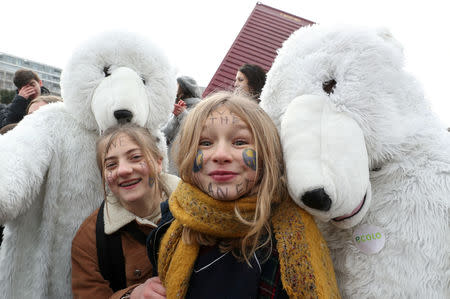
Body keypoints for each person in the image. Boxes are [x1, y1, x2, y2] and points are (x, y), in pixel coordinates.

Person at [131, 92, 340, 298]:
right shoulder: (172, 221)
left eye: (240, 142)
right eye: (205, 142)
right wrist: (138, 292)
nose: (220, 155)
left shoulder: (285, 249)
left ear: (267, 154)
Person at [71, 123, 180, 299]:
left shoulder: (200, 210)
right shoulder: (89, 239)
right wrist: (130, 296)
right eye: (111, 165)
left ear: (159, 162)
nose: (123, 170)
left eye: (135, 157)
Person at [162, 76, 201, 174]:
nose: (173, 91)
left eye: (176, 87)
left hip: (179, 168)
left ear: (183, 90)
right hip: (166, 163)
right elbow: (165, 136)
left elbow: (194, 131)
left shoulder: (199, 109)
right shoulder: (176, 109)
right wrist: (175, 118)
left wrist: (183, 115)